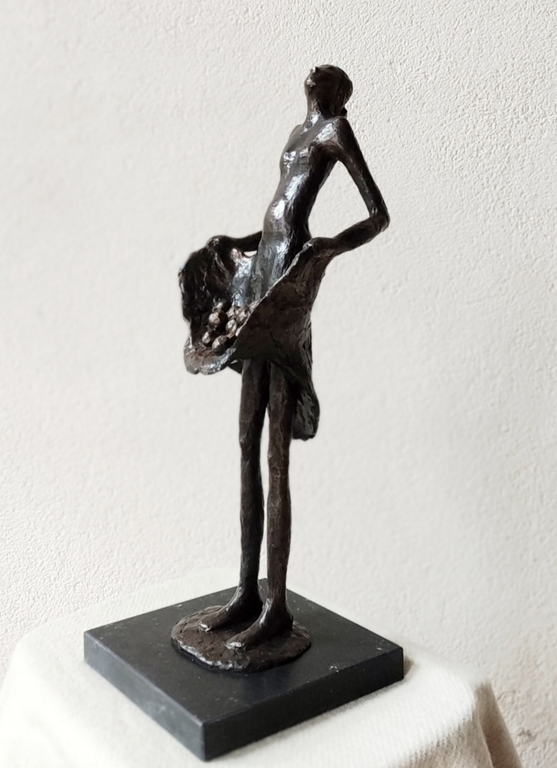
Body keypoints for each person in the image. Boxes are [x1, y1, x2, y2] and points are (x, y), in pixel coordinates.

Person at [182, 65, 389, 651]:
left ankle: (276, 605)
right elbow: (275, 216)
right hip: (261, 275)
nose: (314, 74)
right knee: (246, 441)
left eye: (327, 76)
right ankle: (246, 591)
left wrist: (327, 247)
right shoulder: (300, 131)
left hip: (289, 282)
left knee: (276, 455)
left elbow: (378, 214)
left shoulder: (335, 131)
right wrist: (237, 243)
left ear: (337, 92)